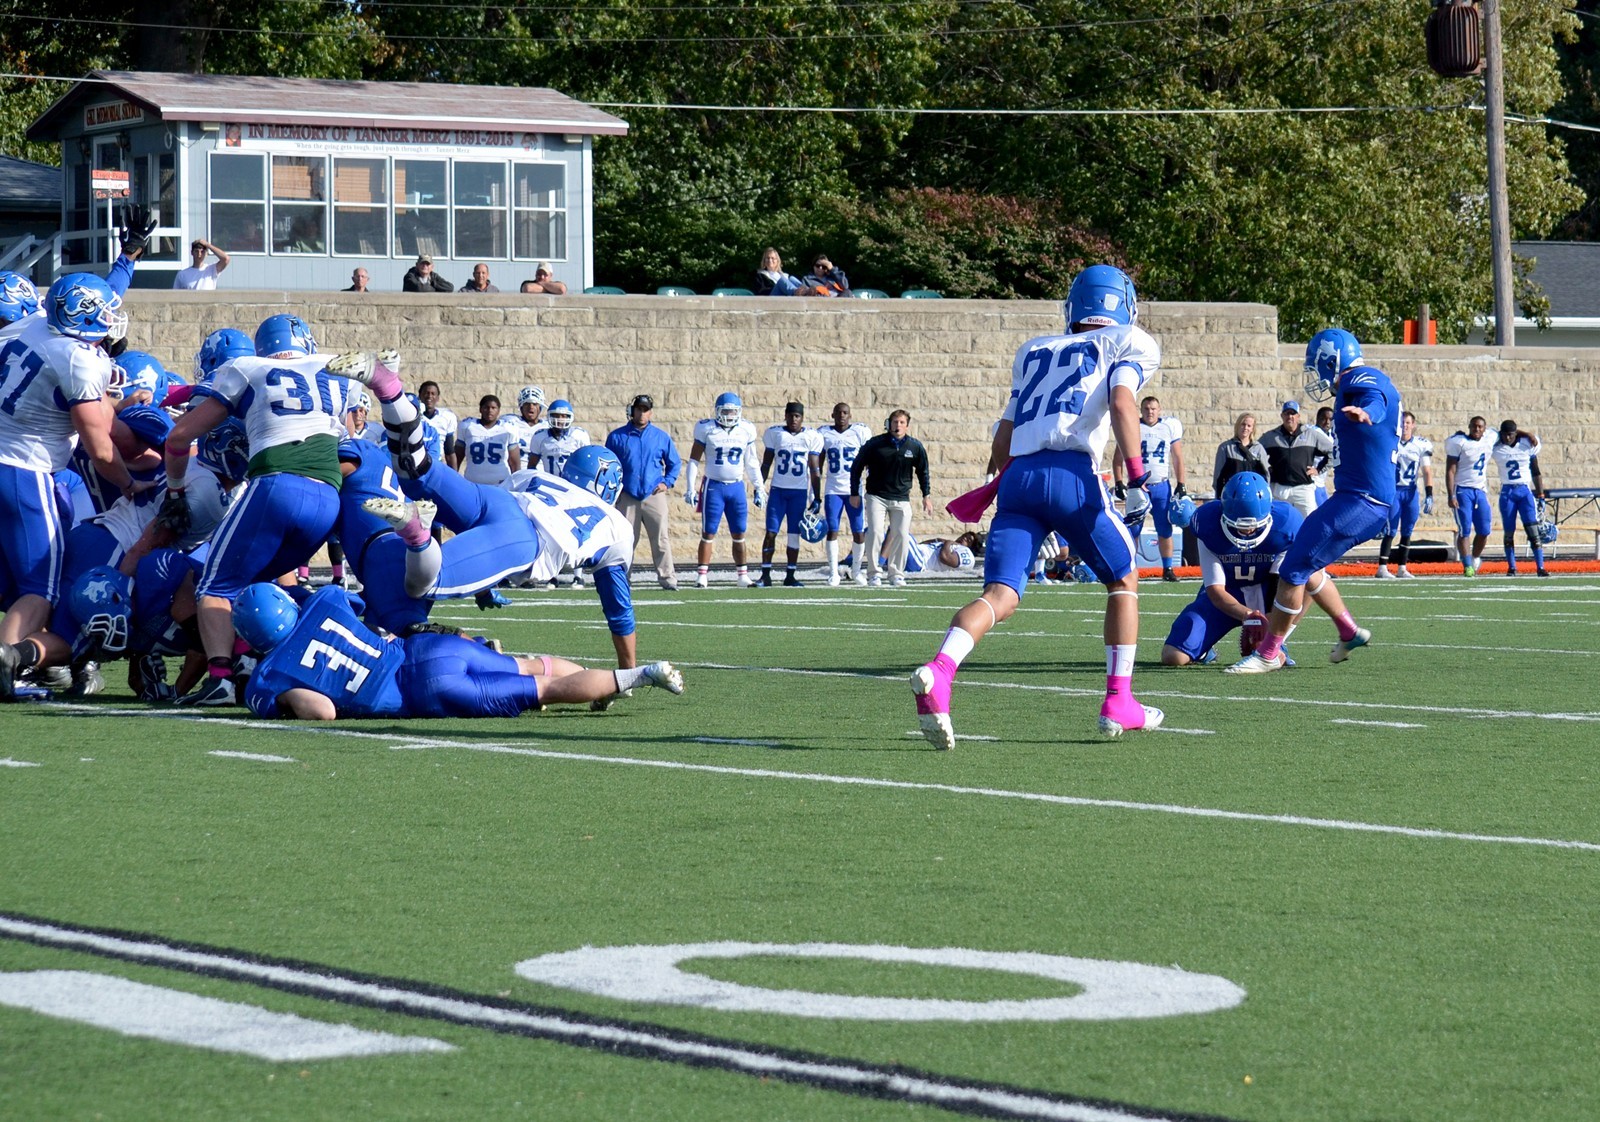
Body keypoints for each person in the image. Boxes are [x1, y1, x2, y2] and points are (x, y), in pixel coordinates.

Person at [909, 263, 1164, 745]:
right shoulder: (1126, 341)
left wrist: (993, 483)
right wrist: (1135, 476)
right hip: (1071, 473)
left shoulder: (1035, 349)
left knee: (1001, 595)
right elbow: (1125, 404)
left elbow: (1004, 433)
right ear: (1123, 305)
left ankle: (941, 669)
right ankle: (1118, 700)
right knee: (1123, 578)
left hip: (1018, 478)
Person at [157, 313, 355, 706]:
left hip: (276, 484)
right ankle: (262, 660)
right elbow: (346, 444)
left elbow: (180, 436)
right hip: (327, 498)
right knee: (262, 583)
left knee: (215, 586)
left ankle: (220, 679)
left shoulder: (246, 368)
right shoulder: (338, 372)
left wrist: (176, 489)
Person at [0, 274, 149, 700]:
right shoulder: (79, 359)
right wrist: (128, 484)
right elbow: (100, 447)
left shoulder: (31, 324)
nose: (109, 319)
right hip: (26, 472)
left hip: (5, 454)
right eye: (101, 312)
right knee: (39, 587)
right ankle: (12, 664)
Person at [235, 582, 683, 720]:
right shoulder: (324, 600)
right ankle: (601, 684)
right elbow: (360, 616)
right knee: (527, 665)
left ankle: (638, 675)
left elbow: (322, 712)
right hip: (428, 648)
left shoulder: (269, 677)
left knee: (543, 690)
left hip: (421, 691)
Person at [1227, 329, 1390, 674]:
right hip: (1361, 499)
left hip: (1360, 500)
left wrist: (1367, 413)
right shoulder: (1355, 383)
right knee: (1309, 565)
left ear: (1333, 361)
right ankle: (1349, 631)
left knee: (1292, 569)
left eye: (1319, 367)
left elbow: (1375, 397)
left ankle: (1269, 653)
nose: (1317, 376)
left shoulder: (1362, 378)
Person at [686, 392, 763, 588]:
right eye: (726, 411)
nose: (729, 415)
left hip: (737, 487)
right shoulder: (707, 428)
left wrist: (759, 487)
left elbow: (752, 463)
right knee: (708, 532)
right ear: (717, 411)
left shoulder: (745, 430)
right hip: (714, 486)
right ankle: (702, 575)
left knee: (739, 532)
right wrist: (690, 488)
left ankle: (742, 575)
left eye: (732, 411)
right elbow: (694, 461)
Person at [849, 409, 932, 587]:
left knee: (901, 534)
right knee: (876, 532)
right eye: (895, 422)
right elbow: (856, 467)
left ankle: (896, 573)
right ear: (889, 424)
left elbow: (923, 472)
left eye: (902, 423)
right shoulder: (875, 444)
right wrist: (854, 492)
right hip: (876, 496)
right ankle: (874, 573)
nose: (898, 426)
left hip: (901, 498)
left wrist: (926, 495)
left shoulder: (914, 447)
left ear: (907, 426)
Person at [606, 394, 681, 590]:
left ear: (651, 412)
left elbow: (674, 463)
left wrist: (667, 482)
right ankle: (622, 579)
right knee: (625, 540)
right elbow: (609, 465)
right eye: (638, 409)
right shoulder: (617, 437)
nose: (642, 413)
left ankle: (668, 578)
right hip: (627, 495)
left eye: (645, 409)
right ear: (632, 411)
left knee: (661, 539)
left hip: (653, 494)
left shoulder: (661, 437)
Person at [1113, 395, 1185, 581]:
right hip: (1138, 488)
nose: (1150, 412)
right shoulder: (1133, 426)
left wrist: (1181, 484)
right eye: (1146, 408)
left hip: (1161, 485)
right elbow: (1118, 457)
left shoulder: (1168, 427)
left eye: (1153, 408)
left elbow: (1177, 457)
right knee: (1133, 530)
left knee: (1165, 529)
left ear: (1159, 410)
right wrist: (1119, 481)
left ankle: (1168, 569)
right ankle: (1130, 567)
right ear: (1141, 410)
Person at [756, 401, 824, 587]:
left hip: (799, 493)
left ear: (802, 418)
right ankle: (765, 575)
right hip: (778, 491)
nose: (794, 419)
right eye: (791, 415)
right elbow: (766, 464)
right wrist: (759, 488)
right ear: (785, 415)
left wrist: (817, 497)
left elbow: (814, 470)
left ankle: (790, 575)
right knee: (771, 532)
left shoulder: (811, 436)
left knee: (794, 535)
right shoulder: (775, 434)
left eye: (797, 416)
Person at [818, 402, 873, 586]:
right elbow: (818, 464)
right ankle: (834, 572)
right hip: (833, 490)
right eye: (838, 412)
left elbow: (868, 461)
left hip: (854, 490)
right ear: (832, 414)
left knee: (859, 532)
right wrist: (814, 492)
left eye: (845, 413)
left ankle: (856, 570)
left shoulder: (859, 432)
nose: (842, 415)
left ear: (850, 415)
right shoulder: (824, 433)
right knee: (832, 530)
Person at [1376, 411, 1433, 578]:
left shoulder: (1421, 445)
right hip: (1393, 491)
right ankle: (1382, 568)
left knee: (1407, 530)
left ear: (1413, 425)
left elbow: (1427, 470)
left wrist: (1429, 493)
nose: (1405, 425)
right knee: (1391, 530)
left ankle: (1402, 567)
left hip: (1411, 491)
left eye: (1408, 422)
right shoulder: (1391, 442)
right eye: (1403, 422)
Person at [1491, 419, 1549, 577]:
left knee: (1533, 531)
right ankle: (1511, 566)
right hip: (1507, 492)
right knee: (1509, 532)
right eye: (1504, 435)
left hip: (1524, 491)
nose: (1507, 438)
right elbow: (1490, 433)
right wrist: (1525, 432)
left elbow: (1536, 471)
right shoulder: (1496, 447)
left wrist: (1541, 494)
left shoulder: (1527, 445)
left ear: (1515, 434)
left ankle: (1540, 567)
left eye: (1510, 435)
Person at [1257, 399, 1333, 516]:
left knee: (1310, 522)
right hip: (1278, 489)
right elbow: (1254, 453)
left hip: (1303, 489)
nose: (1290, 417)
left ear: (1298, 416)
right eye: (1287, 413)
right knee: (1275, 521)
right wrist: (1265, 470)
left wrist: (1318, 470)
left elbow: (1333, 452)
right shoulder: (1271, 436)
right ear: (1282, 416)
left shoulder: (1311, 434)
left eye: (1293, 414)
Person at [1445, 415, 1495, 576]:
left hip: (1480, 490)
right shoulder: (1459, 442)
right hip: (1462, 490)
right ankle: (1467, 565)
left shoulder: (1490, 437)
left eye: (1480, 427)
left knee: (1484, 530)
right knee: (1464, 529)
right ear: (1469, 426)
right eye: (1474, 426)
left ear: (1484, 429)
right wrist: (1451, 495)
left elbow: (1508, 432)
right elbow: (1450, 470)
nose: (1477, 429)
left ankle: (1474, 558)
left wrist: (1527, 435)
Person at [453, 394, 521, 489]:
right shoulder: (468, 426)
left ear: (498, 410)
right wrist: (452, 478)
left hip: (500, 484)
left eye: (493, 408)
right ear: (480, 409)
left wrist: (517, 484)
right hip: (473, 483)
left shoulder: (508, 429)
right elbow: (457, 457)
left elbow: (514, 462)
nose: (490, 411)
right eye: (486, 407)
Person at [1213, 412, 1270, 494]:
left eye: (1249, 426)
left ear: (1252, 429)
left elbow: (1265, 476)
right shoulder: (1226, 448)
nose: (1245, 428)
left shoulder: (1259, 449)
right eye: (1243, 424)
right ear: (1237, 426)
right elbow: (1218, 477)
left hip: (1253, 495)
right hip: (1232, 495)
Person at [417, 380, 459, 467]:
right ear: (420, 395)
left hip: (436, 464)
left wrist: (454, 476)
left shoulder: (447, 417)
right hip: (414, 464)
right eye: (426, 393)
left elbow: (449, 451)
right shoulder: (413, 416)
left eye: (433, 393)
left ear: (438, 397)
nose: (429, 396)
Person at [1312, 405, 1339, 507]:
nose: (1327, 422)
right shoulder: (1314, 432)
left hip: (1321, 483)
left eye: (1330, 419)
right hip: (1313, 483)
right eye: (1323, 419)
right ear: (1317, 419)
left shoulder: (1330, 435)